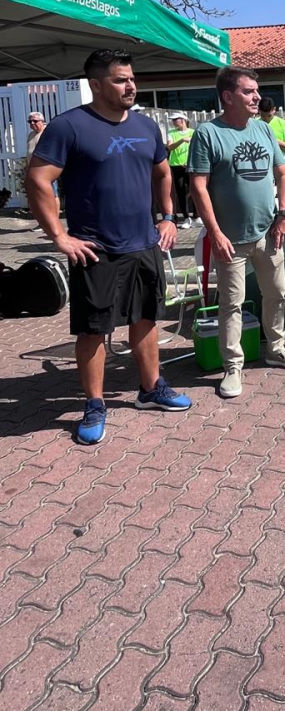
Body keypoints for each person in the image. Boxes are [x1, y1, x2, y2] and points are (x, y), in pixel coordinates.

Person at [25, 49, 191, 446]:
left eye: (132, 78)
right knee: (94, 329)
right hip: (95, 248)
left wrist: (168, 216)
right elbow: (37, 179)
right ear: (97, 85)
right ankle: (95, 403)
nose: (131, 85)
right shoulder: (70, 126)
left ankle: (151, 388)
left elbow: (162, 172)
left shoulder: (147, 126)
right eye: (120, 80)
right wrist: (59, 236)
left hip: (143, 243)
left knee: (146, 318)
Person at [190, 67, 285, 399]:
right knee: (231, 304)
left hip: (269, 233)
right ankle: (232, 367)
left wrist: (284, 214)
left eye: (256, 90)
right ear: (228, 96)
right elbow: (198, 187)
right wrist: (214, 232)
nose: (257, 96)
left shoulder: (263, 130)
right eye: (248, 91)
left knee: (277, 293)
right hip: (229, 239)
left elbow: (283, 173)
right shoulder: (208, 134)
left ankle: (277, 349)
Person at [26, 112, 60, 227]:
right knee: (40, 198)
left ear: (42, 121)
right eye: (30, 121)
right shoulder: (31, 135)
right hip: (34, 171)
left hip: (46, 170)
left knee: (52, 195)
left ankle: (55, 222)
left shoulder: (47, 133)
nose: (32, 123)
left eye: (35, 121)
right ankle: (44, 223)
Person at [166, 112, 196, 229]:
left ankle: (197, 216)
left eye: (175, 120)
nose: (173, 122)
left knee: (195, 190)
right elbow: (170, 147)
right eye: (173, 120)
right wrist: (182, 140)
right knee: (181, 192)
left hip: (190, 165)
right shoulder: (171, 133)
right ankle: (186, 217)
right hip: (176, 165)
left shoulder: (193, 132)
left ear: (183, 120)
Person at [259, 97, 285, 162]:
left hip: (281, 165)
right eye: (263, 116)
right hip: (261, 166)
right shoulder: (253, 124)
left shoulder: (284, 124)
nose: (266, 119)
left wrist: (277, 142)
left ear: (274, 110)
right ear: (259, 111)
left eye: (269, 115)